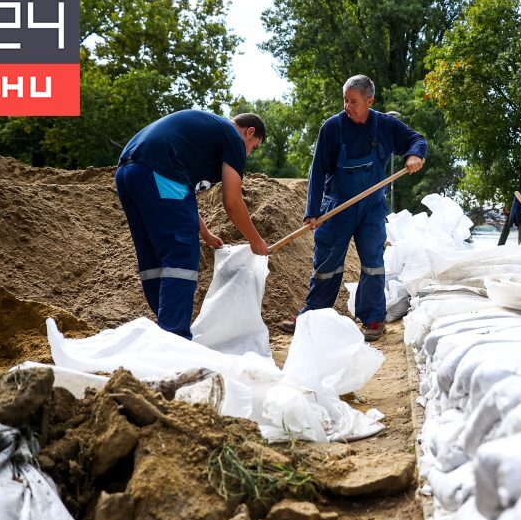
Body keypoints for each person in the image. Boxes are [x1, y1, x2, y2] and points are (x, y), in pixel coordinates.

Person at [279, 75, 426, 341]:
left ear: (369, 101)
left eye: (354, 101)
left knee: (372, 263)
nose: (348, 105)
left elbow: (416, 140)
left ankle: (372, 319)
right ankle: (313, 315)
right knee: (327, 264)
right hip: (338, 205)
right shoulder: (332, 127)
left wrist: (414, 155)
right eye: (345, 100)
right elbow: (317, 170)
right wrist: (312, 211)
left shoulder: (386, 125)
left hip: (371, 207)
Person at [115, 110, 269, 339]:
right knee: (182, 252)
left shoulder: (204, 136)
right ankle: (175, 337)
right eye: (253, 147)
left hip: (129, 172)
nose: (248, 153)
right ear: (250, 132)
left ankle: (165, 332)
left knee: (153, 255)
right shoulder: (234, 138)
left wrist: (204, 232)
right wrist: (255, 240)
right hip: (159, 169)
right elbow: (233, 202)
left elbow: (181, 196)